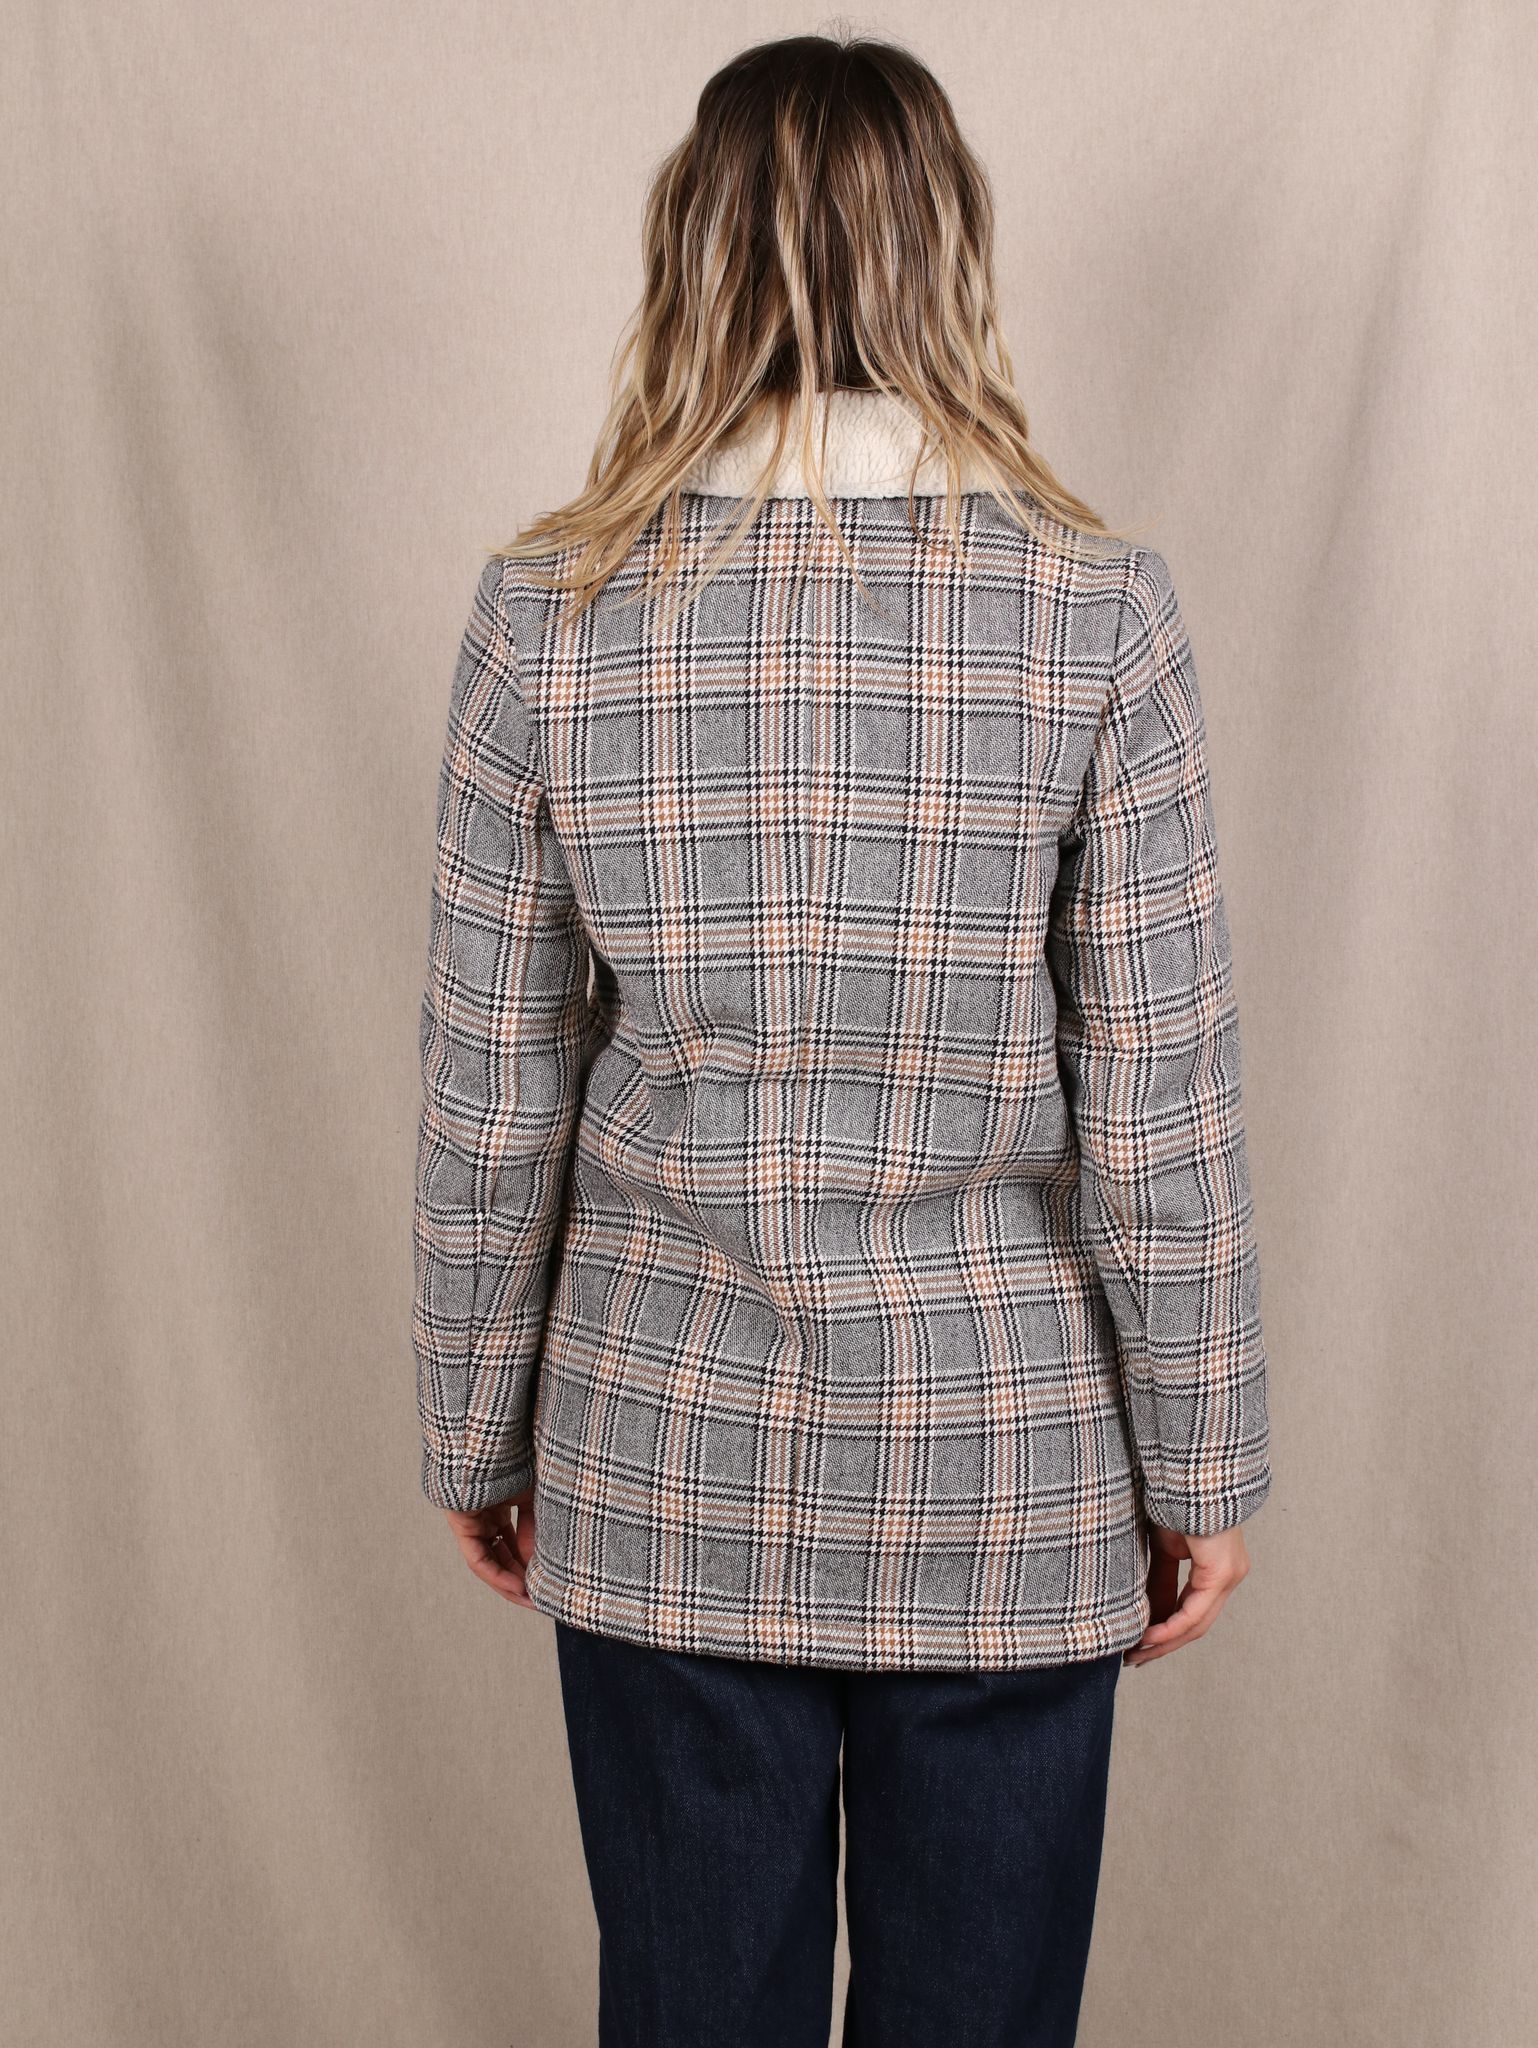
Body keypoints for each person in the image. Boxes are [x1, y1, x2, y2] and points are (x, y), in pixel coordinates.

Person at [410, 29, 1272, 2048]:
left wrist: (471, 1424)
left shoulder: (549, 613)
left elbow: (489, 1093)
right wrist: (1202, 1459)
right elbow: (1157, 1100)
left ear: (689, 255)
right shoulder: (1094, 610)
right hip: (1005, 1467)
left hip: (659, 1449)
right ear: (945, 250)